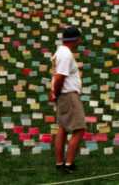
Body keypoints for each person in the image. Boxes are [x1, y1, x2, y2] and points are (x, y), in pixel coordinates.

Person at [51, 26, 86, 173]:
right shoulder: (66, 54)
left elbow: (55, 75)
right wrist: (56, 92)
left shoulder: (59, 52)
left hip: (63, 95)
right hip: (68, 95)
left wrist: (53, 92)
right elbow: (60, 77)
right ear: (76, 39)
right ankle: (69, 164)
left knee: (63, 129)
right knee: (79, 129)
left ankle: (60, 163)